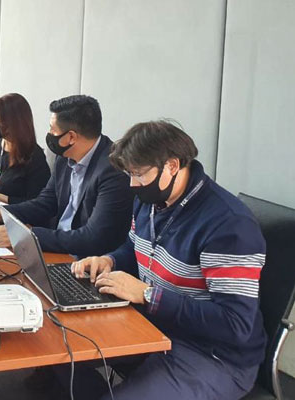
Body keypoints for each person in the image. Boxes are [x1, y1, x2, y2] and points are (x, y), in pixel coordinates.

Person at [63, 120, 266, 399]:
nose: (133, 184)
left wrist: (148, 295)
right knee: (61, 350)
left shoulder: (228, 225)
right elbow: (135, 248)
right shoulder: (150, 200)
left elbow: (235, 325)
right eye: (129, 174)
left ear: (171, 166)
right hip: (155, 328)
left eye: (138, 175)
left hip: (214, 356)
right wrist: (109, 260)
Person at [0, 95, 132, 258]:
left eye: (53, 129)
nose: (49, 133)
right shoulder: (64, 157)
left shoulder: (113, 171)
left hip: (88, 261)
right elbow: (46, 202)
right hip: (57, 249)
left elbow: (92, 237)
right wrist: (2, 213)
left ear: (71, 137)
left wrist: (26, 236)